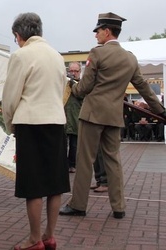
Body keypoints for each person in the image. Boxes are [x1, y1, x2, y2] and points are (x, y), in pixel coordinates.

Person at [59, 12, 166, 220]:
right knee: (113, 161)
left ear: (107, 31)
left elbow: (84, 88)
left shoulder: (97, 54)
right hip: (114, 117)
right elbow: (143, 87)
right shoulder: (130, 58)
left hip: (92, 115)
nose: (96, 35)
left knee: (84, 160)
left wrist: (73, 86)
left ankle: (78, 205)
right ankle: (118, 207)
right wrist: (160, 110)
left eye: (98, 31)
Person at [2, 13, 70, 250]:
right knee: (55, 182)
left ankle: (34, 239)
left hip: (30, 123)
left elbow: (11, 96)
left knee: (34, 185)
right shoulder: (57, 56)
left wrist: (9, 123)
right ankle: (50, 236)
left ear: (19, 35)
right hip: (55, 122)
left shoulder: (21, 55)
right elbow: (62, 90)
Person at [64, 62, 83, 173]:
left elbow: (81, 95)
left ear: (80, 72)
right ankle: (64, 165)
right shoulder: (64, 84)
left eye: (76, 71)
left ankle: (73, 165)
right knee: (63, 144)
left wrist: (73, 83)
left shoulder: (82, 84)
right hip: (64, 118)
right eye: (71, 71)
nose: (73, 73)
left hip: (76, 118)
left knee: (74, 145)